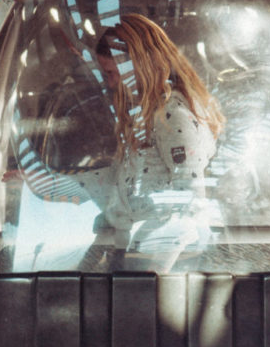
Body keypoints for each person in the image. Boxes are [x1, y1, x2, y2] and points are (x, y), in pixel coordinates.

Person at [89, 15, 225, 271]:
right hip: (140, 246)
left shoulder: (172, 116)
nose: (110, 83)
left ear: (138, 66)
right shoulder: (146, 115)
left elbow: (189, 201)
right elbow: (120, 182)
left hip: (159, 253)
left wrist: (153, 274)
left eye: (112, 73)